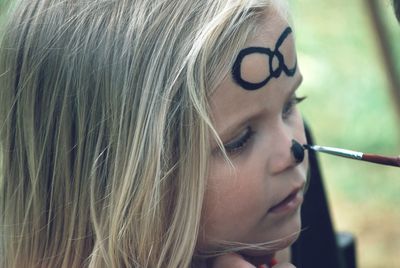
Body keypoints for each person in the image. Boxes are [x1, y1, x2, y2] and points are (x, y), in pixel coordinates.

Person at [0, 0, 308, 267]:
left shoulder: (275, 229)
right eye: (238, 140)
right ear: (115, 181)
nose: (293, 149)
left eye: (290, 105)